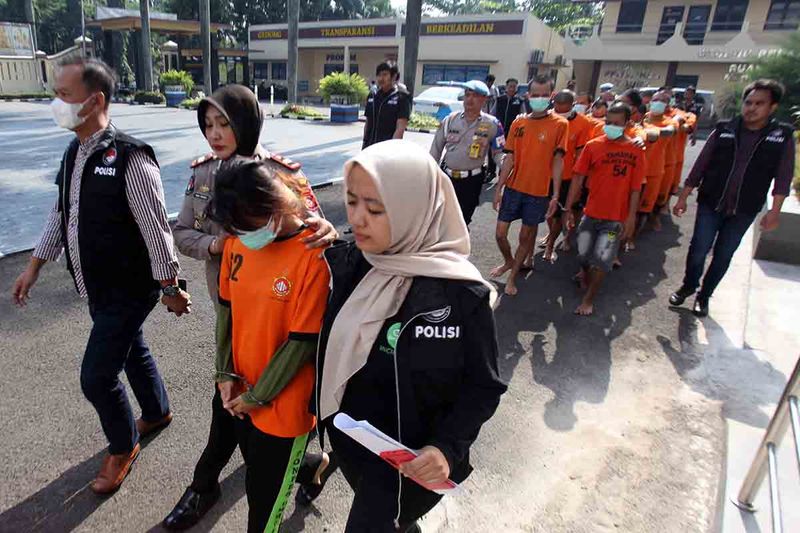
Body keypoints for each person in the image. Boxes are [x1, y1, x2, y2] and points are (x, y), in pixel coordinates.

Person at [11, 56, 189, 493]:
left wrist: (170, 287)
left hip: (130, 287)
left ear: (95, 101)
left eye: (64, 95)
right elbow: (62, 212)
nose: (57, 102)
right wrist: (34, 266)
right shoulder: (73, 152)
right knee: (131, 350)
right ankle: (157, 409)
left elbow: (155, 228)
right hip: (97, 284)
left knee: (96, 376)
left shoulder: (131, 158)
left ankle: (122, 444)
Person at [163, 85, 338, 530]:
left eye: (224, 123)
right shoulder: (204, 175)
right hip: (238, 316)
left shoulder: (281, 176)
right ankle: (215, 484)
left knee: (253, 437)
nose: (215, 134)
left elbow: (311, 230)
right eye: (207, 125)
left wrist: (329, 233)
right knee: (234, 422)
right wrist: (221, 243)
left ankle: (221, 482)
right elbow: (183, 232)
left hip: (283, 324)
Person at [316, 139, 507, 532]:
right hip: (352, 441)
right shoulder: (354, 263)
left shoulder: (461, 294)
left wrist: (446, 449)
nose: (357, 219)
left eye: (375, 208)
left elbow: (483, 387)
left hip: (410, 462)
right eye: (351, 202)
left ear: (413, 209)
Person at [205, 160, 330, 532]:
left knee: (263, 507)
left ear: (275, 209)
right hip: (240, 390)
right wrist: (224, 373)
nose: (239, 236)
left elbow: (301, 343)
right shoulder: (237, 244)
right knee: (259, 468)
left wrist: (259, 396)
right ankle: (310, 465)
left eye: (245, 225)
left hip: (282, 405)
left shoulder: (314, 255)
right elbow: (226, 313)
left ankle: (302, 462)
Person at [670, 79, 795, 317]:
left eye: (760, 103)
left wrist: (775, 212)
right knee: (698, 249)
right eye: (749, 102)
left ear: (773, 107)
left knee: (724, 254)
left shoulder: (781, 136)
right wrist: (684, 196)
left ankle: (704, 296)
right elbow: (701, 165)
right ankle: (688, 286)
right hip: (711, 202)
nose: (752, 108)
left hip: (744, 208)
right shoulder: (725, 128)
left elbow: (783, 177)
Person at [491, 75, 568, 296]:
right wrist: (499, 187)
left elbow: (557, 161)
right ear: (528, 95)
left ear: (552, 96)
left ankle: (513, 276)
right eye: (535, 95)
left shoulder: (560, 125)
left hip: (538, 194)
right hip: (514, 189)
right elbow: (510, 158)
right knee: (500, 234)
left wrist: (554, 196)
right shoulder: (519, 122)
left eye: (545, 94)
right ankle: (508, 260)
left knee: (525, 237)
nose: (540, 98)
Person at [566, 103, 645, 315]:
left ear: (628, 124)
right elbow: (578, 179)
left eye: (616, 124)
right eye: (608, 122)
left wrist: (631, 219)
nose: (610, 127)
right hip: (590, 214)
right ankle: (584, 273)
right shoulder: (593, 146)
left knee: (601, 261)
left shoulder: (636, 151)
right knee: (582, 254)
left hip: (615, 220)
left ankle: (588, 299)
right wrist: (569, 209)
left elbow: (636, 189)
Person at [430, 80, 505, 226]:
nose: (470, 99)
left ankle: (459, 246)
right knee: (441, 219)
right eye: (467, 95)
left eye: (475, 96)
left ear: (484, 99)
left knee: (463, 220)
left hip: (472, 181)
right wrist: (431, 176)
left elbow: (498, 152)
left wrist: (505, 163)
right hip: (448, 178)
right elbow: (435, 150)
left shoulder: (492, 124)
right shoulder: (450, 120)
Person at [540, 89, 598, 260]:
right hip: (544, 175)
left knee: (561, 212)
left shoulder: (583, 123)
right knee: (547, 212)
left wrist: (578, 180)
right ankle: (552, 234)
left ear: (573, 105)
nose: (560, 111)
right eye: (557, 107)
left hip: (567, 177)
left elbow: (581, 154)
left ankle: (551, 245)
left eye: (564, 108)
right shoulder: (546, 118)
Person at [630, 90, 675, 250]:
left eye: (661, 101)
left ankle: (631, 238)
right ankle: (620, 237)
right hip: (633, 172)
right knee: (627, 209)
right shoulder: (640, 117)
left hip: (654, 172)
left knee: (644, 208)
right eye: (655, 100)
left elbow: (669, 131)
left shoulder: (669, 122)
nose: (657, 103)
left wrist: (647, 132)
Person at [363, 61, 410, 149]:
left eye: (385, 75)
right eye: (379, 75)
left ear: (394, 76)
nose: (381, 78)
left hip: (387, 150)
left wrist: (390, 150)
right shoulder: (372, 96)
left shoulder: (401, 98)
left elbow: (400, 128)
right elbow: (368, 123)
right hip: (369, 148)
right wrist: (364, 144)